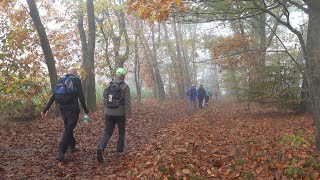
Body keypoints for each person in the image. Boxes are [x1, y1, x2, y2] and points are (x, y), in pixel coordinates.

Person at [41, 67, 89, 162]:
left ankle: (72, 146)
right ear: (75, 73)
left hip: (62, 109)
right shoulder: (76, 80)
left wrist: (45, 109)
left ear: (68, 73)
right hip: (72, 109)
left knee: (68, 127)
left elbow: (53, 96)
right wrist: (86, 110)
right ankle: (61, 152)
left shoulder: (61, 80)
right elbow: (81, 97)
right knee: (68, 129)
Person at [97, 68, 132, 163]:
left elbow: (104, 97)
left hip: (108, 112)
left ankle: (101, 147)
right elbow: (127, 102)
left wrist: (105, 109)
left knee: (107, 132)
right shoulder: (125, 86)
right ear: (123, 75)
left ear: (116, 75)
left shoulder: (109, 84)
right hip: (120, 113)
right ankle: (119, 151)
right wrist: (129, 114)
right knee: (121, 131)